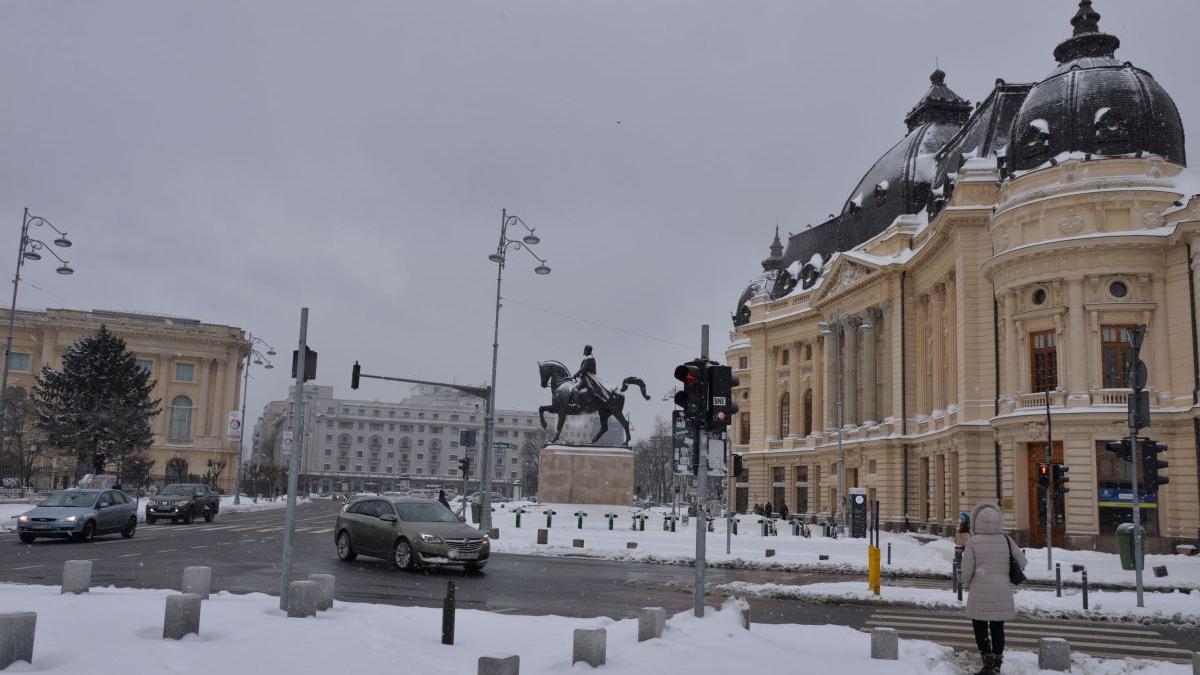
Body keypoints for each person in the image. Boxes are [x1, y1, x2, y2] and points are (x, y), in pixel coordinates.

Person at [961, 502, 1027, 675]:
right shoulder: (1006, 539)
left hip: (980, 591)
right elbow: (1023, 561)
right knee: (998, 628)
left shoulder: (973, 542)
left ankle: (987, 660)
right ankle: (997, 663)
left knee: (979, 626)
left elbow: (967, 570)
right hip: (1002, 590)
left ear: (976, 522)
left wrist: (966, 583)